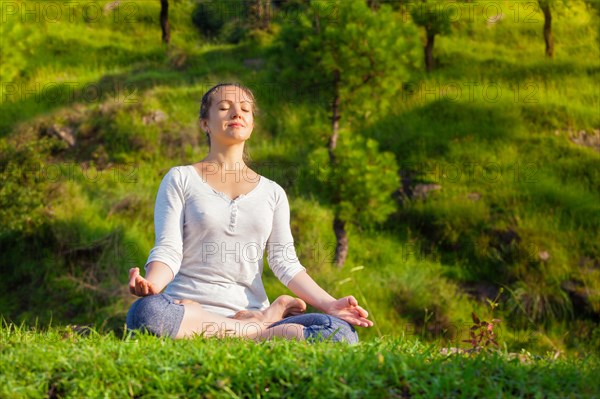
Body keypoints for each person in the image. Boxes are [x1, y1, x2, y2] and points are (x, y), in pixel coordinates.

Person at [126, 83, 373, 343]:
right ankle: (260, 329)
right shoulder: (181, 178)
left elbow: (285, 261)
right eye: (223, 108)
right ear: (205, 124)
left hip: (247, 309)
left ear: (252, 125)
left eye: (245, 109)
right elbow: (168, 248)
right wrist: (153, 283)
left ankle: (250, 326)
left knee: (341, 334)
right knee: (147, 313)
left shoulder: (272, 192)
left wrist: (330, 304)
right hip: (187, 309)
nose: (236, 113)